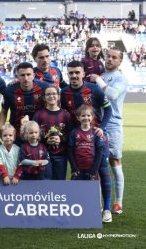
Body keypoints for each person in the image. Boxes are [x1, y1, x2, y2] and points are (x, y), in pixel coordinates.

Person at [61, 60, 113, 223]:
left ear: (83, 73)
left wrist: (102, 128)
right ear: (67, 74)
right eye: (71, 73)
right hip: (77, 141)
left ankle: (107, 209)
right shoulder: (64, 93)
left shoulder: (94, 89)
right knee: (79, 174)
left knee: (103, 173)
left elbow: (109, 109)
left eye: (77, 72)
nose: (74, 75)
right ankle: (86, 208)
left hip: (97, 139)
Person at [87, 47, 128, 214]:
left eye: (114, 57)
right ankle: (96, 203)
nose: (109, 59)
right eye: (108, 56)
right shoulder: (101, 76)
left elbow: (112, 94)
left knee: (115, 162)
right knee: (95, 163)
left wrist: (98, 80)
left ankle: (118, 202)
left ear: (120, 61)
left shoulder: (120, 78)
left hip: (113, 125)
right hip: (97, 125)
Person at [0, 62, 49, 140]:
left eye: (28, 74)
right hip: (17, 134)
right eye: (22, 75)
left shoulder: (44, 88)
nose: (26, 78)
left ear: (33, 75)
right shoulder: (9, 91)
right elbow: (4, 111)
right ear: (17, 77)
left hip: (38, 134)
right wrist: (0, 129)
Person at [33, 85, 72, 180]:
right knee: (46, 184)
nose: (51, 96)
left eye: (54, 94)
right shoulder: (38, 115)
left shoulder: (66, 115)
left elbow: (71, 134)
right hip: (43, 156)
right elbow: (33, 136)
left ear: (59, 96)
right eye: (48, 94)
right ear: (44, 97)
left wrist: (61, 139)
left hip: (61, 155)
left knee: (59, 182)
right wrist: (45, 140)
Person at [68, 105, 104, 181]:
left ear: (92, 117)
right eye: (83, 116)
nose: (86, 118)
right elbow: (70, 151)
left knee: (91, 192)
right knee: (75, 191)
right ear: (78, 117)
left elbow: (99, 152)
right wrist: (73, 168)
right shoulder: (74, 132)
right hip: (78, 170)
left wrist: (94, 170)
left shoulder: (95, 132)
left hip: (92, 170)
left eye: (88, 115)